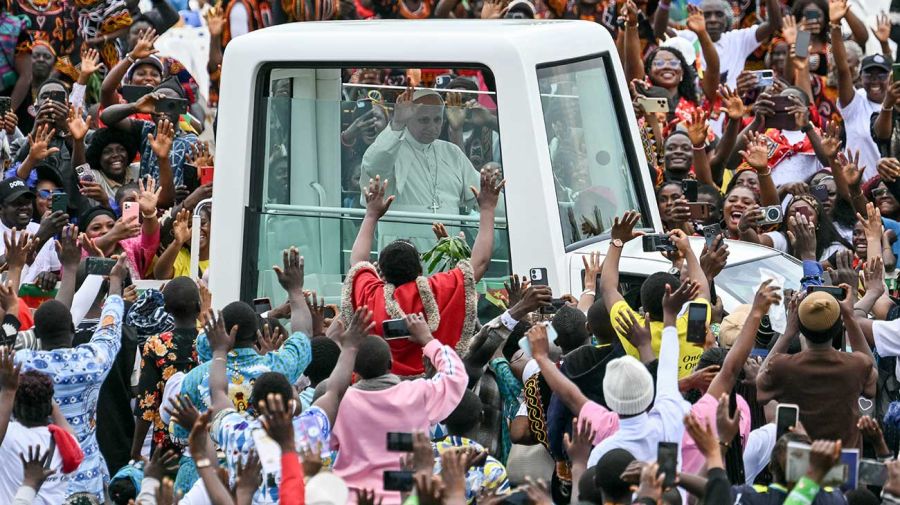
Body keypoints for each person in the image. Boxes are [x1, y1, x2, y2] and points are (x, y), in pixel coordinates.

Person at [341, 168, 503, 376]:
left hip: (379, 391)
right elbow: (480, 262)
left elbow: (357, 262)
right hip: (432, 389)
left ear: (381, 272)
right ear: (420, 269)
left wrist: (371, 214)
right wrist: (488, 208)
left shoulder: (372, 297)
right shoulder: (438, 290)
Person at [203, 305, 373, 502]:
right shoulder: (311, 426)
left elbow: (218, 393)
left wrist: (220, 351)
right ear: (292, 402)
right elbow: (334, 391)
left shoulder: (237, 433)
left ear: (254, 405)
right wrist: (350, 348)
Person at [13, 254, 127, 500]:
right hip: (85, 477)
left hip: (35, 476)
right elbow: (110, 327)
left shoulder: (20, 365)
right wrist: (116, 284)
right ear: (74, 329)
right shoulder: (91, 361)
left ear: (37, 334)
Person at [330, 312, 467, 503]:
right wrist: (427, 339)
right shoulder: (418, 394)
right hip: (403, 497)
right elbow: (456, 376)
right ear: (391, 364)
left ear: (353, 369)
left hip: (350, 497)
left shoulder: (339, 401)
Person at [757, 289, 877, 447]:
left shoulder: (782, 366)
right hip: (843, 462)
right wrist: (849, 318)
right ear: (837, 329)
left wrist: (787, 333)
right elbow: (873, 377)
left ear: (800, 326)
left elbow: (759, 387)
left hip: (798, 462)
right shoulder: (856, 365)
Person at [599, 211, 712, 377]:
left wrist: (617, 241)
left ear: (643, 307)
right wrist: (687, 250)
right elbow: (702, 290)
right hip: (691, 400)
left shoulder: (637, 332)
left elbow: (608, 288)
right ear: (681, 302)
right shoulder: (693, 327)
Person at [360, 86, 481, 216]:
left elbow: (482, 195)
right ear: (408, 119)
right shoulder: (391, 148)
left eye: (437, 120)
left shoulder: (452, 152)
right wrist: (397, 123)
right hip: (401, 235)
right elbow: (373, 168)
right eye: (424, 120)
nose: (432, 127)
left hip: (448, 235)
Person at [131, 277, 201, 461]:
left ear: (167, 310)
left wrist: (136, 451)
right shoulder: (210, 342)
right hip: (204, 437)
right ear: (199, 306)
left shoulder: (156, 345)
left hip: (166, 444)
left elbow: (146, 403)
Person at [0, 353, 84, 505]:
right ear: (50, 406)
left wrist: (8, 391)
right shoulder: (66, 442)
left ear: (15, 405)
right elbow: (73, 437)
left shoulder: (8, 437)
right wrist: (46, 397)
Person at [0, 178, 66, 286]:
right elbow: (8, 265)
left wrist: (49, 277)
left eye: (27, 202)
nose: (25, 207)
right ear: (1, 207)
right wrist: (42, 235)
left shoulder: (40, 228)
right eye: (17, 203)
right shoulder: (43, 230)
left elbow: (57, 273)